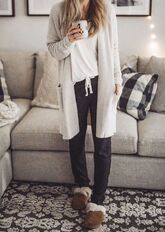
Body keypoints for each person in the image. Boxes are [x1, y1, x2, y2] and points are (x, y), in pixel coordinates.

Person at [47, 0, 123, 229]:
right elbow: (52, 49)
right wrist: (68, 40)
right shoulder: (59, 11)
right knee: (75, 139)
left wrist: (118, 78)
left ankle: (98, 202)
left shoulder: (106, 9)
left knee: (102, 143)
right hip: (74, 86)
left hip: (102, 83)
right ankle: (82, 186)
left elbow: (114, 47)